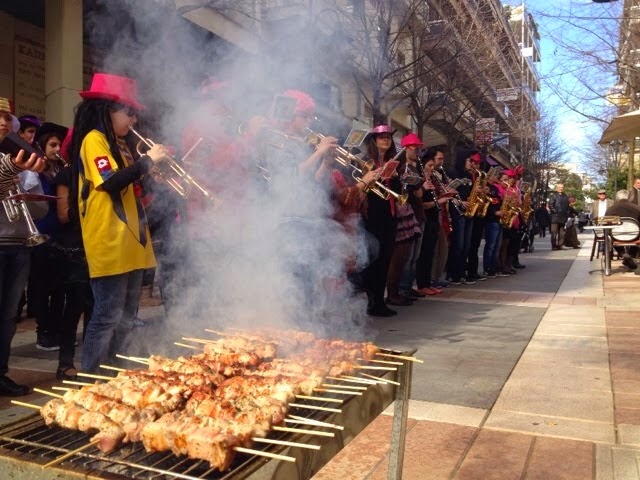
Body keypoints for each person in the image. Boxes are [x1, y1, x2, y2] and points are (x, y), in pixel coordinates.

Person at [68, 73, 167, 373]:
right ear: (107, 110)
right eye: (128, 112)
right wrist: (147, 162)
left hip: (133, 242)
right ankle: (92, 378)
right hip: (109, 241)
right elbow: (109, 183)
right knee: (106, 316)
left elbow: (132, 190)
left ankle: (116, 373)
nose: (133, 120)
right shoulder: (93, 140)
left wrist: (151, 176)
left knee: (126, 317)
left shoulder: (122, 146)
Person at [0, 98, 48, 396]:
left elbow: (41, 213)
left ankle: (1, 373)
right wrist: (10, 170)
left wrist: (30, 189)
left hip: (19, 243)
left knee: (8, 316)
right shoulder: (12, 161)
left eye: (6, 117)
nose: (3, 122)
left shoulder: (16, 160)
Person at [52, 130, 94, 380]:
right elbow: (63, 214)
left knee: (95, 307)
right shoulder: (66, 174)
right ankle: (64, 362)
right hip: (75, 249)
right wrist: (89, 200)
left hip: (96, 245)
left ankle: (91, 359)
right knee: (74, 307)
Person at [30, 122, 69, 351]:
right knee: (43, 286)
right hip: (42, 231)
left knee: (60, 287)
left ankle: (56, 330)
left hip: (60, 233)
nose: (57, 149)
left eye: (59, 145)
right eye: (52, 144)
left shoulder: (60, 170)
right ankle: (43, 332)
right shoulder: (36, 171)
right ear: (42, 146)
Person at [360, 124, 401, 317]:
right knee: (372, 261)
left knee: (385, 260)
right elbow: (360, 190)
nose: (386, 140)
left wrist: (395, 177)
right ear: (374, 141)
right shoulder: (366, 163)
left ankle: (379, 301)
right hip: (371, 217)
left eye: (388, 137)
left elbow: (399, 194)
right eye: (382, 137)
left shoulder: (393, 162)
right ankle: (371, 302)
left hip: (389, 216)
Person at [415, 149, 448, 295]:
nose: (431, 168)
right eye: (429, 166)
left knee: (430, 252)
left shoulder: (432, 179)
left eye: (432, 166)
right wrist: (439, 202)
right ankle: (422, 284)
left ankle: (427, 283)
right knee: (424, 253)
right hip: (426, 218)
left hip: (434, 218)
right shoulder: (421, 181)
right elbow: (422, 204)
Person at [398, 133, 427, 298]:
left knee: (415, 256)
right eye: (415, 148)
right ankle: (403, 288)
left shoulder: (416, 168)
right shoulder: (401, 167)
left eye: (419, 148)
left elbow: (420, 194)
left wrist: (420, 185)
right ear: (405, 148)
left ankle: (408, 286)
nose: (418, 151)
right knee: (407, 257)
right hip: (407, 216)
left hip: (419, 214)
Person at [446, 149, 475, 285]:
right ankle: (454, 273)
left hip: (468, 211)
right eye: (470, 160)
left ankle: (462, 271)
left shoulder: (468, 176)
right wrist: (460, 202)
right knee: (458, 243)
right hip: (457, 211)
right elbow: (449, 193)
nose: (472, 163)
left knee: (466, 245)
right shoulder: (453, 173)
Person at [605, 189, 640, 269]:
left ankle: (622, 253)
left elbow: (606, 223)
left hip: (616, 236)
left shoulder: (611, 209)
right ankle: (630, 255)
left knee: (609, 234)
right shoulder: (637, 208)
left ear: (617, 198)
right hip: (634, 236)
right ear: (628, 198)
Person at [482, 169, 504, 278]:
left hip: (499, 219)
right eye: (495, 175)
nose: (497, 177)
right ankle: (487, 268)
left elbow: (499, 201)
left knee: (497, 245)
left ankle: (494, 266)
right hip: (491, 219)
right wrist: (495, 212)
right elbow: (487, 203)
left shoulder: (495, 188)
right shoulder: (486, 186)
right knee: (490, 245)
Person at [549, 183, 570, 250]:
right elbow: (550, 205)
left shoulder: (566, 196)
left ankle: (560, 245)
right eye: (559, 187)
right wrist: (555, 212)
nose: (560, 188)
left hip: (563, 217)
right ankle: (554, 246)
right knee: (554, 233)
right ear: (556, 188)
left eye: (562, 187)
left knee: (562, 233)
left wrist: (567, 213)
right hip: (555, 217)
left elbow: (568, 206)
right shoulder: (553, 196)